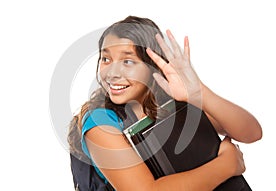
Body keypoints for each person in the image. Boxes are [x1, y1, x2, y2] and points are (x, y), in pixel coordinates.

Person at [68, 15, 262, 191]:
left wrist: (199, 93)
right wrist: (225, 166)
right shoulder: (100, 122)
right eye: (106, 59)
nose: (112, 73)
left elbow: (251, 133)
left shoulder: (174, 100)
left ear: (152, 64)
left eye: (128, 61)